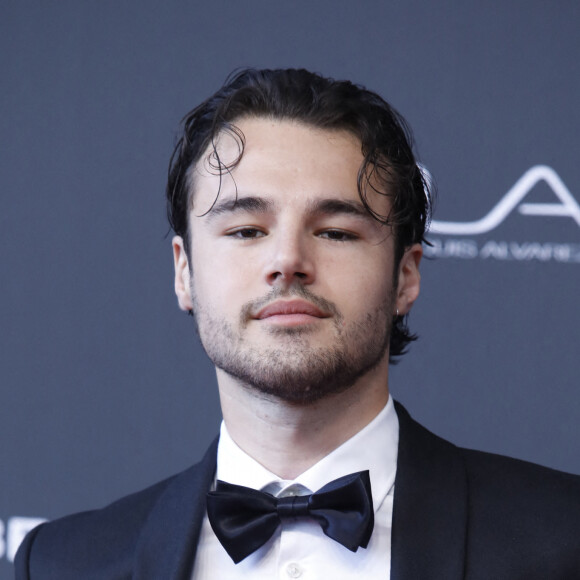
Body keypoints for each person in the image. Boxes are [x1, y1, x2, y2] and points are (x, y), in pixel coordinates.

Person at [15, 68, 580, 579]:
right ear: (184, 272)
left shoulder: (562, 540)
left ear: (405, 277)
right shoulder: (64, 565)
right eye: (245, 231)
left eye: (336, 231)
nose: (287, 259)